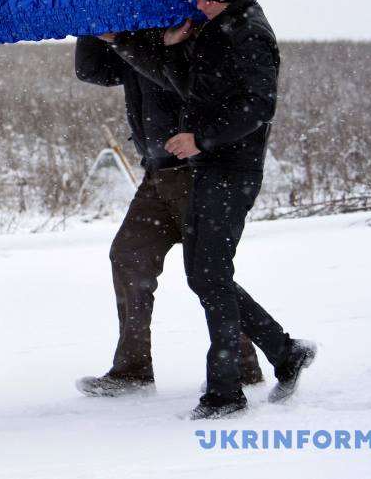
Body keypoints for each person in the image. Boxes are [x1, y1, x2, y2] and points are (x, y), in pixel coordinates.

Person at [110, 0, 316, 419]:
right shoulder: (218, 27)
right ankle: (284, 352)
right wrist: (160, 43)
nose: (197, 5)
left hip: (232, 170)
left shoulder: (250, 35)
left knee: (210, 276)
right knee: (205, 274)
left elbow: (257, 107)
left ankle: (226, 392)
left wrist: (201, 138)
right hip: (212, 168)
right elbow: (184, 82)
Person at [73, 33, 263, 397]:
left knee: (208, 272)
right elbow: (93, 70)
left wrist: (136, 43)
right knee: (129, 256)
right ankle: (132, 370)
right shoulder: (131, 38)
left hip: (194, 172)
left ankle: (243, 366)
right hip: (156, 173)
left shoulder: (185, 36)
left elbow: (183, 82)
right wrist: (92, 27)